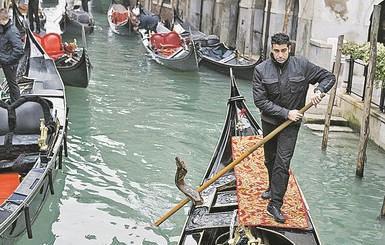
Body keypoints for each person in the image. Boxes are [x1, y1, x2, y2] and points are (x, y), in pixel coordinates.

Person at [252, 32, 335, 223]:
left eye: (283, 51)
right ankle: (273, 187)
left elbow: (329, 77)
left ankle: (275, 205)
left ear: (289, 49)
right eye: (276, 51)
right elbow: (260, 101)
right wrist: (285, 112)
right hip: (270, 122)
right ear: (271, 50)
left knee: (282, 163)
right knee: (270, 160)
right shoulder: (261, 70)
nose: (279, 55)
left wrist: (319, 90)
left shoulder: (303, 66)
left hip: (291, 126)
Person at [0, 8, 24, 104]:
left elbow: (19, 51)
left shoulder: (12, 32)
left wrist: (7, 61)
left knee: (12, 85)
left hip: (9, 63)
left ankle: (16, 105)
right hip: (3, 59)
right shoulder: (3, 27)